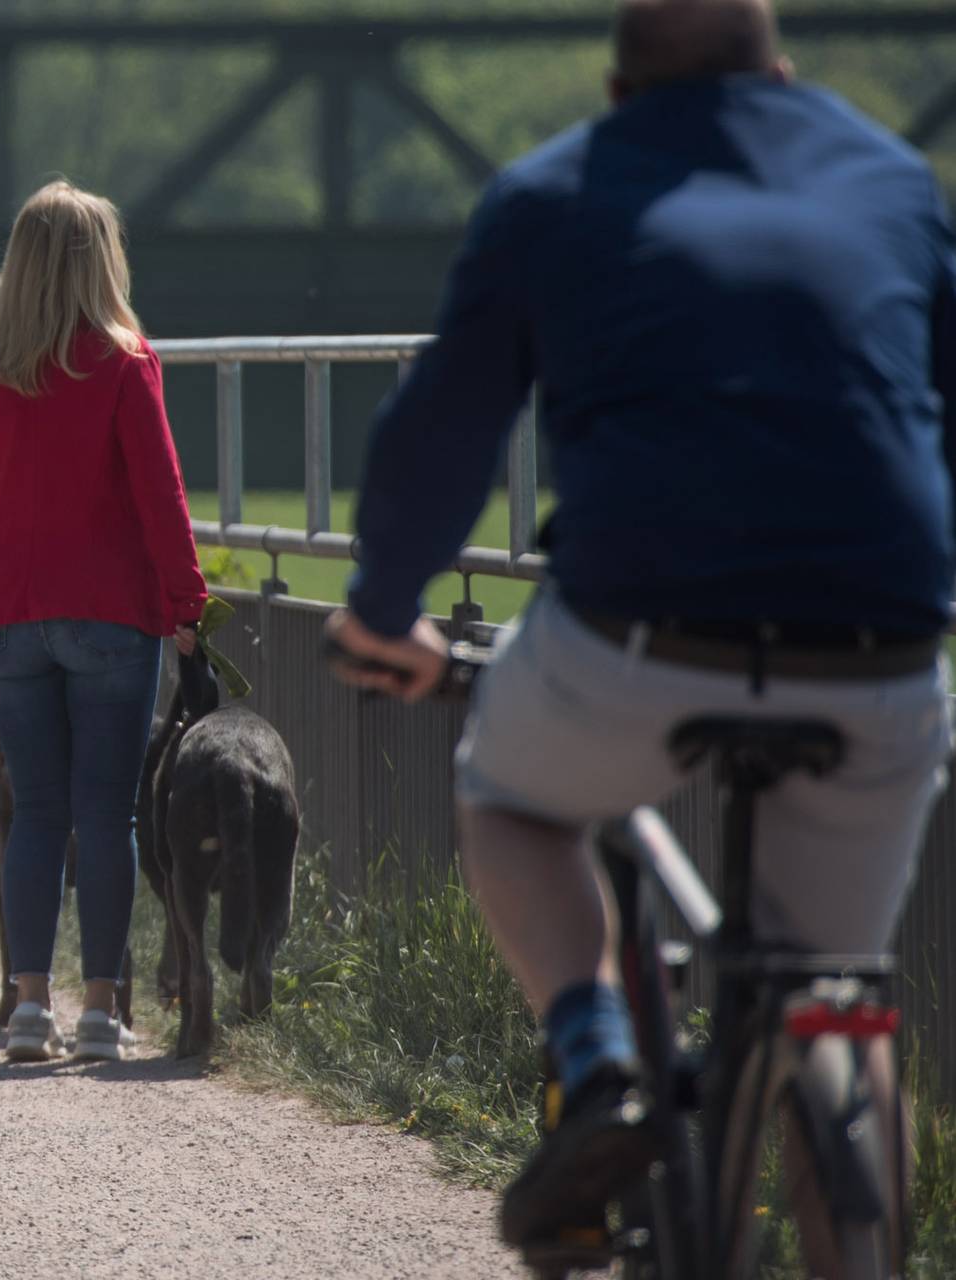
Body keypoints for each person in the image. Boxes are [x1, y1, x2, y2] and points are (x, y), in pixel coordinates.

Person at [324, 0, 952, 1263]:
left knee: (510, 794)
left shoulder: (552, 191)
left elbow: (440, 435)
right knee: (835, 975)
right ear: (781, 71)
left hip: (637, 639)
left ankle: (596, 1056)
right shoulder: (896, 183)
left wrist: (383, 612)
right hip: (879, 650)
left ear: (619, 93)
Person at [0, 181, 206, 1065]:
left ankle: (29, 1008)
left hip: (10, 617)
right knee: (105, 816)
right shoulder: (126, 364)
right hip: (110, 615)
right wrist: (188, 605)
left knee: (34, 815)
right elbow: (161, 496)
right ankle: (101, 1009)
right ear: (104, 264)